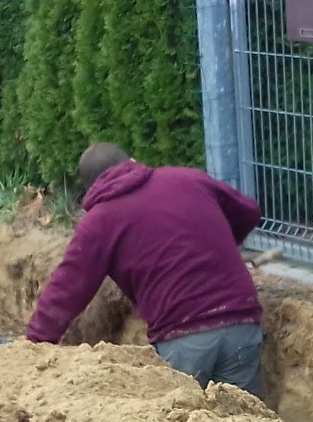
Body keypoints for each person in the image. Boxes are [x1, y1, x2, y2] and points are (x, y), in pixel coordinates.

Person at [26, 143, 266, 396]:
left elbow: (67, 289)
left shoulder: (99, 222)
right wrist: (218, 245)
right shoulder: (188, 178)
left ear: (91, 187)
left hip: (183, 336)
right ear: (131, 160)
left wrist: (34, 343)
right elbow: (249, 211)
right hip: (242, 322)